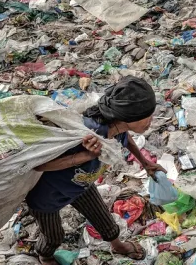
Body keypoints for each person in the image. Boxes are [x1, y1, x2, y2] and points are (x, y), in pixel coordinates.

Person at [26, 76, 165, 264]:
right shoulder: (88, 132)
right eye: (148, 116)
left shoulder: (117, 126)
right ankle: (45, 256)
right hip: (47, 195)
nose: (151, 121)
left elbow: (125, 138)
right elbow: (39, 164)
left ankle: (118, 245)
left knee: (106, 222)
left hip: (80, 184)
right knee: (53, 236)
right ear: (128, 118)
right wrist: (85, 157)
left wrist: (144, 162)